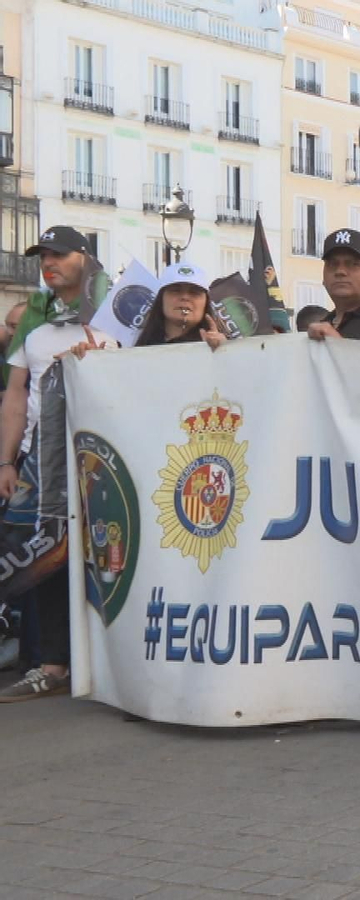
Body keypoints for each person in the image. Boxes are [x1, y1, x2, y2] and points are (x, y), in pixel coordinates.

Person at [0, 226, 115, 701]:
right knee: (42, 554)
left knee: (105, 557)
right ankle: (50, 664)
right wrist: (7, 461)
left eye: (60, 254)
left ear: (86, 259)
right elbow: (14, 395)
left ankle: (109, 660)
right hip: (39, 464)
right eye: (43, 254)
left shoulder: (119, 320)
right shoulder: (36, 326)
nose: (49, 262)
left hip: (101, 463)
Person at [134, 263, 229, 349]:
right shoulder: (139, 348)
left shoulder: (222, 346)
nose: (185, 297)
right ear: (161, 299)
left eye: (194, 292)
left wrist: (224, 351)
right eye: (175, 290)